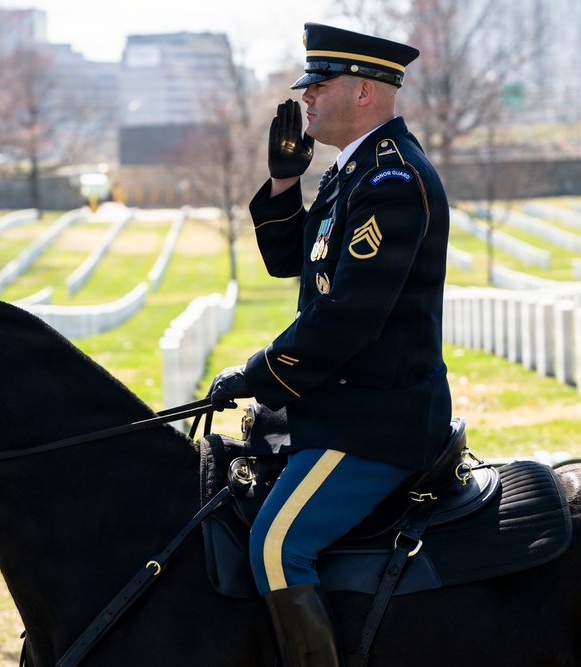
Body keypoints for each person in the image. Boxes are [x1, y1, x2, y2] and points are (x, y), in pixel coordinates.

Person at [208, 22, 453, 667]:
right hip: (338, 407)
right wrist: (286, 184)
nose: (306, 98)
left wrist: (261, 372)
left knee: (275, 545)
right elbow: (291, 260)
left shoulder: (393, 182)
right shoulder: (354, 173)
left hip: (379, 419)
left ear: (366, 90)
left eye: (320, 85)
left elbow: (351, 317)